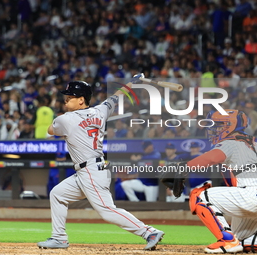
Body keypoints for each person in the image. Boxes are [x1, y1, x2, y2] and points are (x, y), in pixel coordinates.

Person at [37, 75, 164, 250]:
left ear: (81, 100)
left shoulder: (65, 119)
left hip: (90, 171)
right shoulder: (100, 111)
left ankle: (148, 232)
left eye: (69, 98)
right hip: (88, 170)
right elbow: (116, 96)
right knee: (57, 194)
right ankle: (59, 238)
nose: (65, 101)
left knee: (106, 210)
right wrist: (132, 83)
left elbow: (50, 130)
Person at [166, 110, 257, 253]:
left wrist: (184, 167)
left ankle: (227, 241)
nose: (215, 129)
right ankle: (243, 241)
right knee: (241, 239)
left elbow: (213, 157)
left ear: (231, 125)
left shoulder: (231, 142)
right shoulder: (253, 142)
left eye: (220, 125)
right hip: (250, 196)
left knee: (200, 195)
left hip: (251, 194)